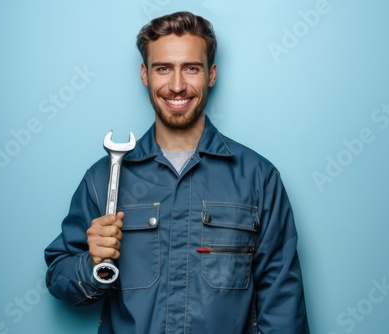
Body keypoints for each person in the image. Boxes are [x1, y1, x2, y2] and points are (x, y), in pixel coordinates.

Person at [44, 11, 309, 334]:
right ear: (145, 74)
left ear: (211, 74)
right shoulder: (104, 179)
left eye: (191, 68)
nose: (177, 86)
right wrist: (93, 264)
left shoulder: (258, 178)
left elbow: (282, 302)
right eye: (163, 69)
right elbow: (59, 278)